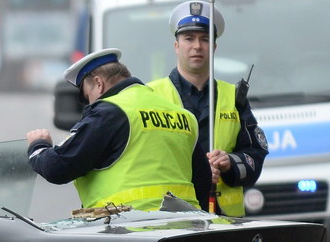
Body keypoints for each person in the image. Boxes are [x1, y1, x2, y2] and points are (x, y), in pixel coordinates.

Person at [26, 48, 210, 212]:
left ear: (98, 83)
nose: (90, 104)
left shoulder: (109, 112)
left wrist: (39, 146)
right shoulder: (183, 115)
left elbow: (58, 167)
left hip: (128, 232)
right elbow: (203, 181)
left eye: (87, 96)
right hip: (183, 229)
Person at [147, 0, 268, 216]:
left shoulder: (234, 97)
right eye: (189, 38)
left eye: (205, 39)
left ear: (214, 47)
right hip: (172, 219)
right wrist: (199, 172)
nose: (197, 46)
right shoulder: (152, 96)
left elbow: (255, 156)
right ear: (176, 45)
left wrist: (230, 163)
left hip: (226, 223)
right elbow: (146, 160)